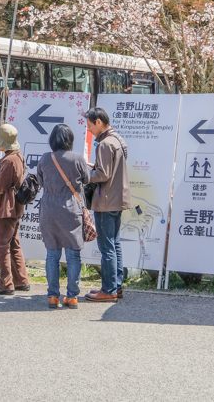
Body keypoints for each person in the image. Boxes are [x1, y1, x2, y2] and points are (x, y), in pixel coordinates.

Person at [37, 124, 91, 309]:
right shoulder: (77, 158)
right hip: (71, 208)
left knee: (52, 254)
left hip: (49, 209)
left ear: (52, 140)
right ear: (70, 140)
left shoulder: (45, 158)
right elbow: (87, 180)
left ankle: (53, 296)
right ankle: (72, 296)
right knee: (73, 253)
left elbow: (40, 181)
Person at [83, 107, 131, 303]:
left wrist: (85, 175)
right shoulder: (118, 139)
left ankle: (108, 289)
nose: (89, 130)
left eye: (90, 125)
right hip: (117, 199)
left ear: (99, 122)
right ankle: (115, 287)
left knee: (107, 247)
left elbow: (103, 174)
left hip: (106, 200)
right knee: (115, 244)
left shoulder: (104, 144)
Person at [0, 124, 30, 295]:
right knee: (13, 244)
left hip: (6, 207)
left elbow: (0, 186)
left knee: (2, 245)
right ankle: (21, 280)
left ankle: (6, 283)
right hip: (16, 206)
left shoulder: (9, 160)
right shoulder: (18, 155)